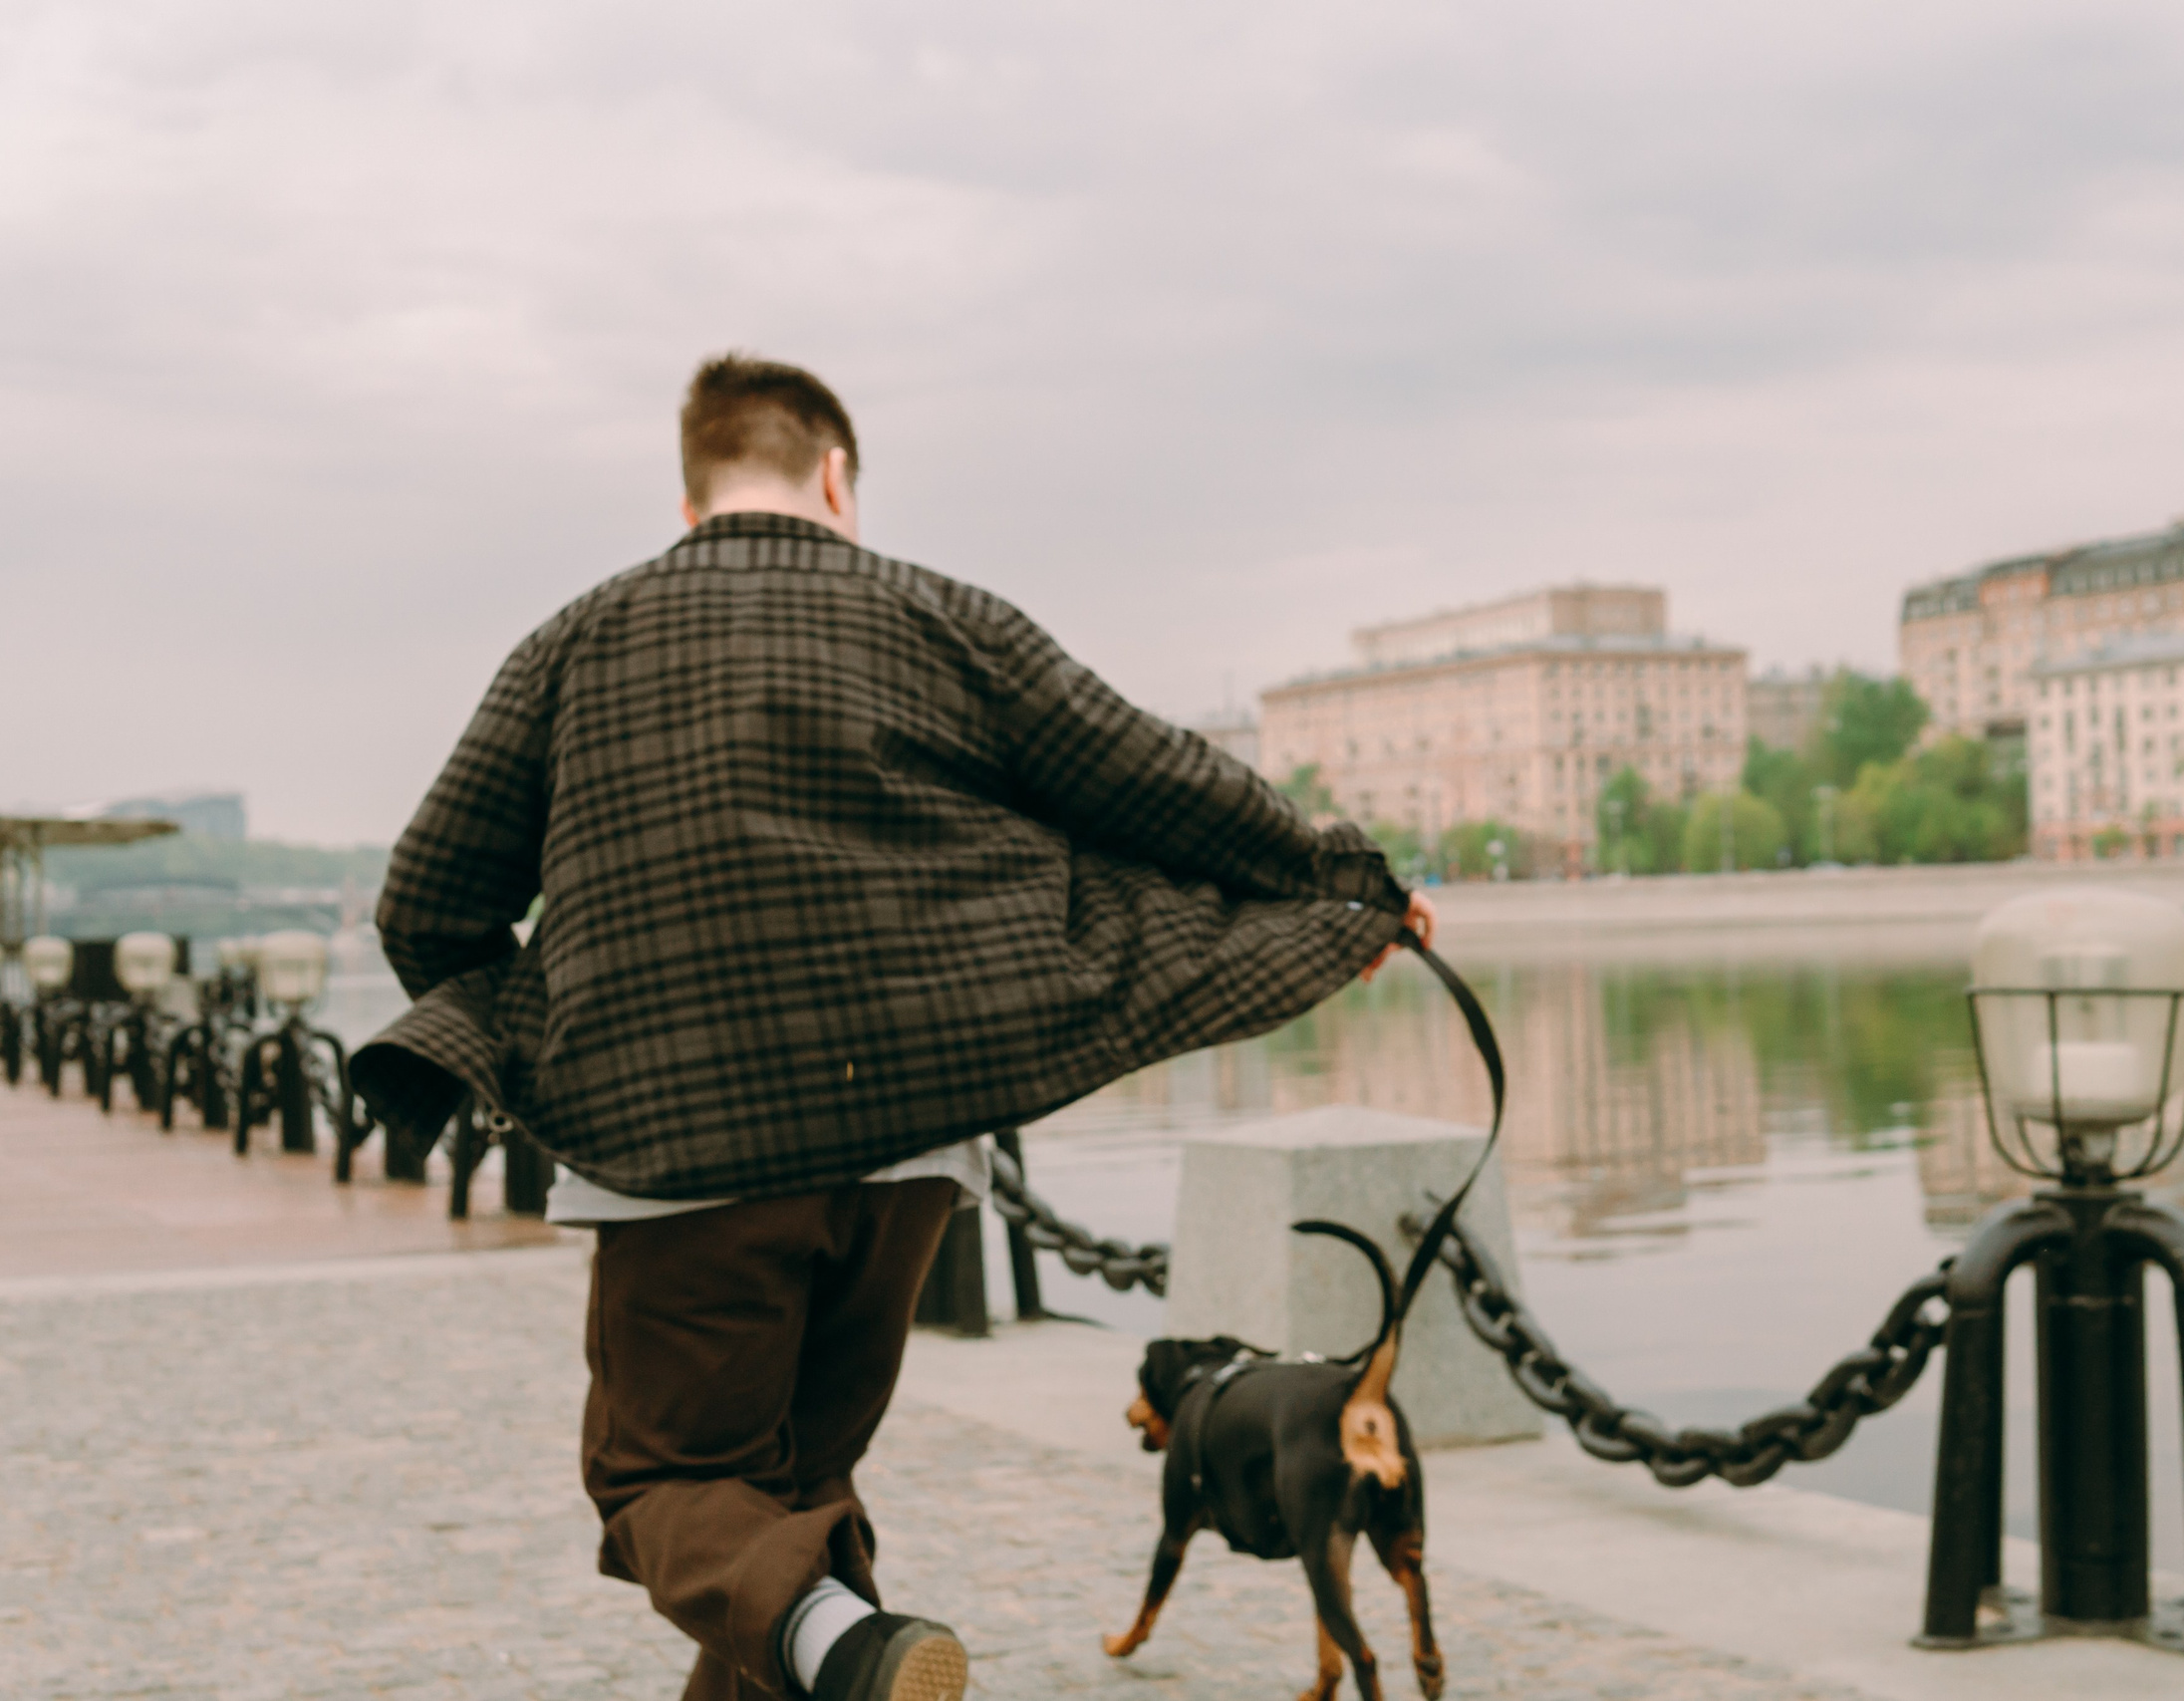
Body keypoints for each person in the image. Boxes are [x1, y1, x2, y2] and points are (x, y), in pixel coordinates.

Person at [352, 353, 1434, 1701]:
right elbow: (1158, 784)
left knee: (671, 1482)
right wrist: (1346, 887)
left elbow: (426, 902)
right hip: (909, 1161)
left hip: (680, 1166)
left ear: (690, 491)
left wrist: (546, 1041)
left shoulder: (578, 641)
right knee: (794, 1504)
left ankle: (834, 1639)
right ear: (837, 475)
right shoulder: (943, 617)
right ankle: (843, 1647)